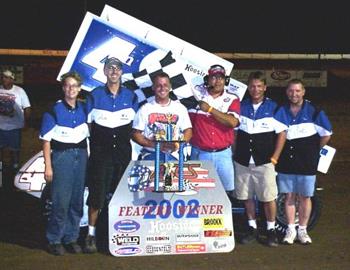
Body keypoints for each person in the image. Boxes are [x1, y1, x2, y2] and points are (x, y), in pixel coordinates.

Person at [84, 57, 138, 253]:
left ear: (122, 72)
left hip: (123, 154)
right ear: (105, 72)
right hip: (100, 154)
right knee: (97, 196)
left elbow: (136, 127)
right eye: (110, 68)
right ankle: (90, 235)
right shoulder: (94, 95)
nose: (114, 71)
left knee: (120, 195)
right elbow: (88, 126)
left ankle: (117, 235)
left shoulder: (131, 97)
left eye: (117, 68)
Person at [234, 71, 287, 247]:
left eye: (259, 86)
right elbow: (234, 133)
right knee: (246, 196)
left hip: (264, 161)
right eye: (252, 86)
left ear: (265, 87)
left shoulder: (274, 108)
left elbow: (282, 133)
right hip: (242, 160)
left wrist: (275, 158)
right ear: (248, 88)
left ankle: (270, 229)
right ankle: (252, 228)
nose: (255, 89)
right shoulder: (241, 106)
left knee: (268, 198)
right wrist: (235, 153)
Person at [276, 79, 332, 245]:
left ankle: (303, 230)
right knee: (289, 197)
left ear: (303, 91)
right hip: (286, 162)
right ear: (287, 92)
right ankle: (290, 230)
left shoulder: (314, 111)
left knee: (305, 197)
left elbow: (327, 134)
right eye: (291, 91)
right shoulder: (281, 110)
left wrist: (313, 150)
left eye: (298, 91)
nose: (294, 94)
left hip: (307, 163)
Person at [40, 71, 89, 256]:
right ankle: (54, 239)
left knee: (77, 201)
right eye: (68, 85)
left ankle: (71, 238)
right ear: (63, 88)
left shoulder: (84, 109)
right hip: (62, 157)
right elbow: (46, 142)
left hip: (81, 155)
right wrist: (48, 166)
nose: (71, 89)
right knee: (61, 201)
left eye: (75, 86)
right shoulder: (53, 110)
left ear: (80, 88)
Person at [188, 64, 240, 198]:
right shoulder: (195, 97)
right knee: (198, 194)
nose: (217, 81)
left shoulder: (232, 98)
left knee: (225, 194)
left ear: (226, 80)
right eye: (214, 77)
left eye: (221, 78)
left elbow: (232, 122)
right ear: (207, 80)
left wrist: (210, 110)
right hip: (200, 152)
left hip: (223, 153)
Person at [131, 72, 192, 162]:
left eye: (165, 85)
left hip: (174, 156)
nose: (162, 88)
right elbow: (135, 134)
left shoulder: (180, 108)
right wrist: (155, 145)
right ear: (153, 87)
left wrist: (177, 144)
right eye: (159, 85)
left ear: (170, 87)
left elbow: (188, 131)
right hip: (151, 154)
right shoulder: (145, 109)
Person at [0, 70, 31, 176]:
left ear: (12, 79)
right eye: (3, 77)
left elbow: (27, 107)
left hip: (15, 127)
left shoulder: (19, 91)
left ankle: (15, 167)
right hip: (0, 126)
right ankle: (2, 169)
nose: (5, 79)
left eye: (8, 77)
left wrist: (26, 122)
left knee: (15, 149)